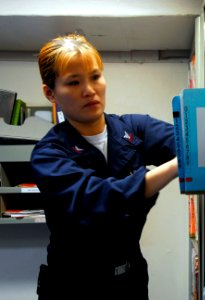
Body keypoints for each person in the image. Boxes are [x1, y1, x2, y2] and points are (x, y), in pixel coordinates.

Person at [30, 33, 178, 300]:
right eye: (74, 82)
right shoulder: (48, 153)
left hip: (129, 282)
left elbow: (191, 141)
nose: (89, 90)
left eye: (95, 76)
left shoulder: (134, 128)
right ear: (50, 93)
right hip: (73, 287)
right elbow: (97, 197)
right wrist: (175, 167)